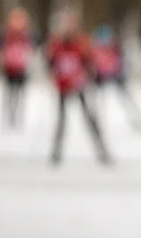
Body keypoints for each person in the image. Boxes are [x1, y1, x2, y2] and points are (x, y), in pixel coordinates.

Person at [46, 10, 111, 166]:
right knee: (61, 120)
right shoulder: (57, 43)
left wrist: (91, 77)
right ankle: (56, 153)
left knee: (89, 118)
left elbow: (89, 63)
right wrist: (54, 79)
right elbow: (51, 64)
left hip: (78, 85)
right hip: (63, 86)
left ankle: (101, 151)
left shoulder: (81, 43)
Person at [91, 24, 141, 131]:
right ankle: (97, 121)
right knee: (99, 100)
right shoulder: (96, 50)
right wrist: (94, 75)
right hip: (101, 77)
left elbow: (124, 62)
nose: (105, 43)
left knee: (125, 99)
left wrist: (123, 73)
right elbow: (92, 64)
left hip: (115, 75)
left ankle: (136, 119)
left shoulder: (116, 48)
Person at [0, 8, 35, 129]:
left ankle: (17, 117)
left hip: (21, 68)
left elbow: (32, 47)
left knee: (19, 94)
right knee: (10, 94)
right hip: (9, 68)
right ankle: (9, 116)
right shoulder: (6, 35)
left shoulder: (26, 36)